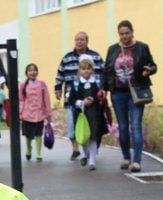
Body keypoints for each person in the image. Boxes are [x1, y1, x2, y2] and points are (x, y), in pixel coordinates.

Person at [103, 20, 156, 173]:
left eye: (127, 33)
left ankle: (137, 161)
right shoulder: (113, 50)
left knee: (136, 126)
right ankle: (126, 157)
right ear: (118, 34)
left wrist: (149, 70)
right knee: (123, 127)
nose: (124, 36)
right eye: (121, 34)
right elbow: (107, 71)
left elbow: (153, 65)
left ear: (132, 32)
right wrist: (104, 90)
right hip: (118, 93)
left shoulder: (142, 47)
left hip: (136, 92)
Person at [54, 31, 106, 161]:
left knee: (94, 125)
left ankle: (91, 149)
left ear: (87, 41)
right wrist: (58, 89)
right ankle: (76, 149)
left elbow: (104, 73)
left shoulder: (95, 56)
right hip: (73, 98)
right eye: (77, 39)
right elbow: (60, 74)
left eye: (82, 39)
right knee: (73, 125)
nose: (79, 42)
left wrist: (103, 90)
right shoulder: (67, 58)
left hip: (93, 98)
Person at [63, 55, 110, 170]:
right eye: (83, 68)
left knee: (93, 136)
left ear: (92, 70)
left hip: (94, 114)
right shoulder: (76, 83)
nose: (86, 71)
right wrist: (81, 102)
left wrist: (98, 97)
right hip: (80, 114)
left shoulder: (97, 82)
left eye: (88, 68)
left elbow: (100, 96)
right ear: (79, 70)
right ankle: (84, 153)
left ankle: (92, 161)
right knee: (83, 136)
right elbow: (71, 99)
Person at [19, 63, 51, 162]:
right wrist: (20, 113)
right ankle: (28, 149)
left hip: (39, 114)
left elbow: (46, 98)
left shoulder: (42, 84)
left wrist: (48, 112)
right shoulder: (23, 85)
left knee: (38, 134)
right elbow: (21, 100)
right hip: (27, 114)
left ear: (37, 72)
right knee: (28, 135)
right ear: (26, 73)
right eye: (30, 70)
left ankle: (38, 153)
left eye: (34, 70)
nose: (32, 72)